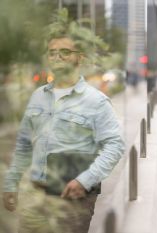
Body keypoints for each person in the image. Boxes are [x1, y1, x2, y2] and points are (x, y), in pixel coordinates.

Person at [2, 9, 125, 233]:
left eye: (65, 51)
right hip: (34, 197)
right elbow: (23, 144)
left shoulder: (96, 101)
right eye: (52, 52)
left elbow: (115, 146)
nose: (57, 57)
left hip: (73, 200)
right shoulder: (38, 95)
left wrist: (85, 180)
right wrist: (11, 183)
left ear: (80, 57)